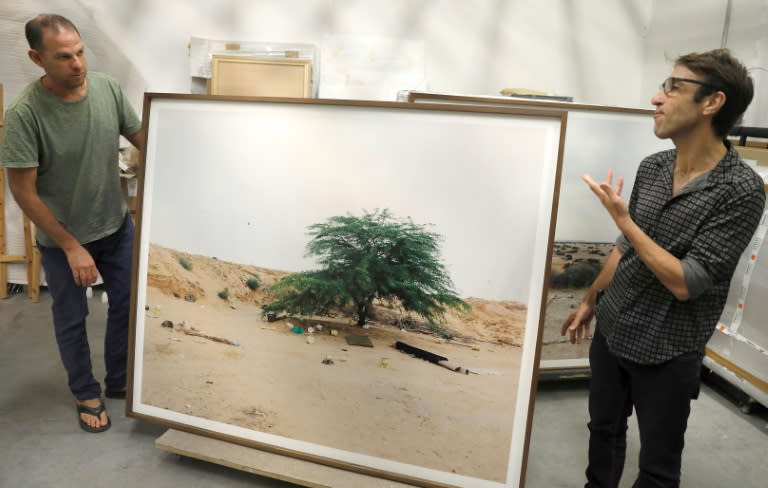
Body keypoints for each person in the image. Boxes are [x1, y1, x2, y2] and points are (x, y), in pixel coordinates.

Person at [561, 49, 765, 487]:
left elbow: (686, 282)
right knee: (603, 432)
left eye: (673, 87)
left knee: (657, 466)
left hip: (667, 350)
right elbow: (624, 249)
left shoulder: (741, 190)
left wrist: (625, 222)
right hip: (614, 330)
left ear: (712, 103)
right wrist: (591, 300)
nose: (657, 98)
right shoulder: (652, 167)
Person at [0, 14, 143, 433]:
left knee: (128, 304)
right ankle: (86, 391)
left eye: (80, 52)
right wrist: (70, 246)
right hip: (63, 238)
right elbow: (24, 192)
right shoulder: (25, 114)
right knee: (71, 316)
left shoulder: (108, 89)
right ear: (36, 58)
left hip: (115, 227)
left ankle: (119, 380)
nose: (78, 64)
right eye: (64, 57)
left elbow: (143, 138)